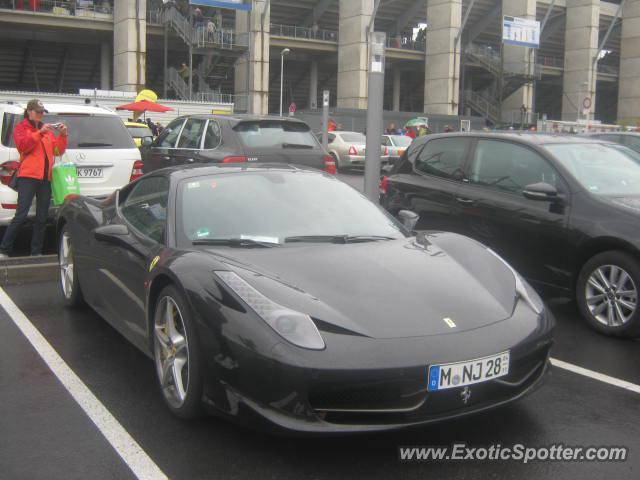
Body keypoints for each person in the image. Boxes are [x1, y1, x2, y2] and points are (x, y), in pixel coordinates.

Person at [0, 99, 68, 258]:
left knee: (42, 217)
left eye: (42, 112)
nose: (40, 115)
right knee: (21, 215)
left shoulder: (47, 131)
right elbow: (23, 146)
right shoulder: (21, 128)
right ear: (29, 112)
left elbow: (57, 151)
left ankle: (36, 252)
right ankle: (4, 249)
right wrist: (40, 133)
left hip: (45, 178)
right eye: (38, 112)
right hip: (28, 177)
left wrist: (63, 135)